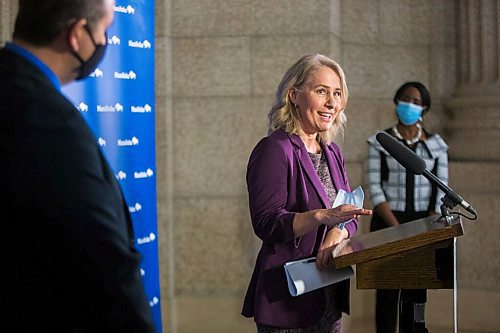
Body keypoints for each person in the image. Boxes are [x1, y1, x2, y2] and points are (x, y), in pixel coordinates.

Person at [0, 1, 156, 331]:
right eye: (104, 29)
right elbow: (99, 257)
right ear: (75, 34)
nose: (104, 41)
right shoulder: (44, 119)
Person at [241, 54, 372, 333]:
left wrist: (338, 232)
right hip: (288, 299)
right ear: (294, 95)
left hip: (329, 295)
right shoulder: (274, 150)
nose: (331, 102)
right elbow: (266, 223)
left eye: (337, 93)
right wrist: (322, 216)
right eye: (321, 91)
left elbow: (349, 212)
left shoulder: (332, 151)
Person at [365, 81, 449, 333]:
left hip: (423, 223)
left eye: (415, 101)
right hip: (388, 222)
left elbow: (441, 187)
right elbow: (375, 188)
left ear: (425, 108)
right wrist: (396, 228)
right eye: (404, 99)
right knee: (387, 292)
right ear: (396, 102)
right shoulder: (381, 141)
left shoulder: (436, 145)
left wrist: (430, 224)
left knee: (416, 293)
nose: (409, 105)